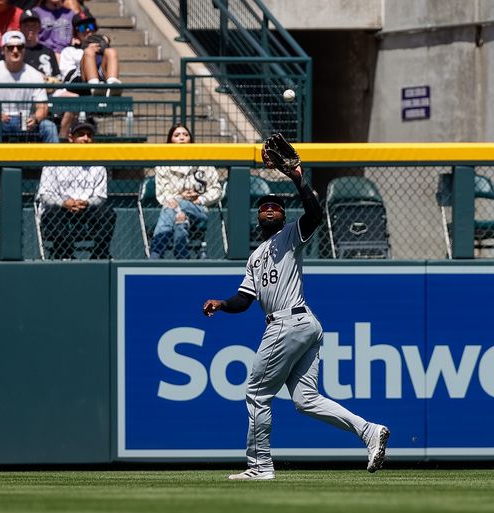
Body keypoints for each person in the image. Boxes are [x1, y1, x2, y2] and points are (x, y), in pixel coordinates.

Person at [201, 155, 390, 481]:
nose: (270, 208)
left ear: (283, 215)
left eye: (275, 205)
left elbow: (315, 214)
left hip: (288, 323)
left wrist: (298, 180)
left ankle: (260, 467)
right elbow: (244, 300)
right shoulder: (254, 258)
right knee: (305, 400)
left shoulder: (290, 235)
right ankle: (369, 431)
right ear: (258, 217)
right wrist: (222, 303)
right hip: (302, 326)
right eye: (264, 206)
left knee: (257, 394)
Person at [36, 120, 116, 259]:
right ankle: (65, 254)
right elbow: (45, 195)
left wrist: (87, 203)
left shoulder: (98, 165)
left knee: (107, 213)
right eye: (81, 134)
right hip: (60, 209)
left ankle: (98, 255)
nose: (86, 139)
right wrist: (64, 202)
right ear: (70, 137)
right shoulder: (55, 160)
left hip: (86, 209)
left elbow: (101, 197)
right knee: (51, 212)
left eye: (89, 135)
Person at [150, 124, 222, 259]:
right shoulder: (162, 164)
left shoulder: (203, 161)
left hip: (199, 209)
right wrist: (179, 200)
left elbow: (216, 189)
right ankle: (183, 259)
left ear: (191, 139)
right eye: (177, 135)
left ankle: (155, 254)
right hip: (173, 210)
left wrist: (200, 199)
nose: (182, 137)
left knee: (176, 207)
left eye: (185, 134)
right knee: (180, 221)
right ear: (170, 141)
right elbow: (162, 193)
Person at [0, 30, 59, 143]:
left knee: (49, 127)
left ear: (24, 50)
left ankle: (54, 160)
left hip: (26, 121)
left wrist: (35, 119)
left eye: (19, 47)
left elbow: (43, 107)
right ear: (3, 50)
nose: (15, 51)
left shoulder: (34, 74)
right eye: (10, 47)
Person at [59, 13, 120, 96]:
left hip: (102, 82)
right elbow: (68, 78)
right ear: (76, 32)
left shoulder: (103, 49)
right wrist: (86, 51)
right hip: (79, 86)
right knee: (89, 52)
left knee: (111, 51)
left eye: (91, 26)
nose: (87, 30)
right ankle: (94, 86)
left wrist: (103, 45)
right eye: (82, 28)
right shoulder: (69, 51)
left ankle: (113, 87)